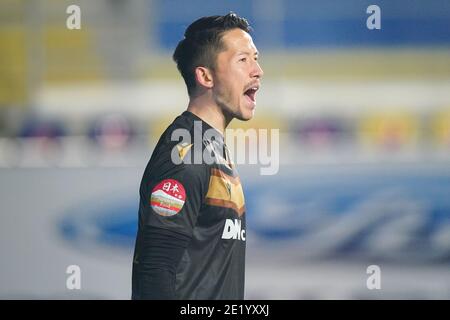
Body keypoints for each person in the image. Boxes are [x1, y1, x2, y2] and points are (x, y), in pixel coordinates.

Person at [131, 12, 263, 300]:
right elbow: (155, 269)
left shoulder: (210, 146)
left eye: (256, 58)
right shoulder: (185, 153)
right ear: (205, 76)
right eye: (243, 60)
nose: (257, 70)